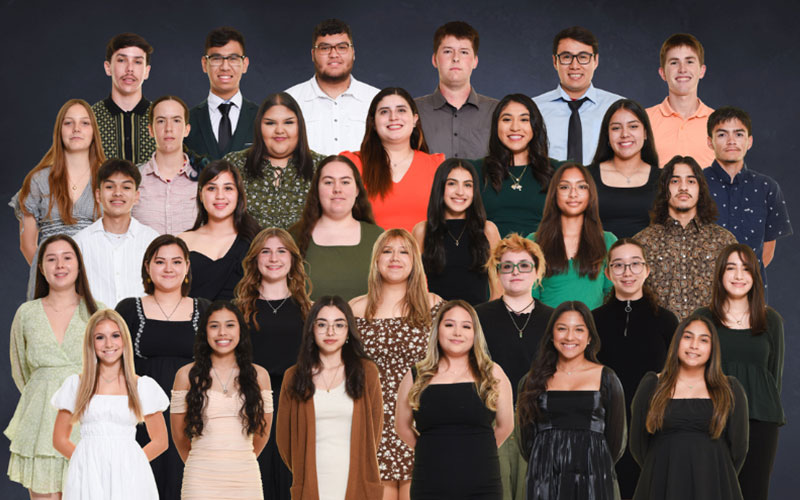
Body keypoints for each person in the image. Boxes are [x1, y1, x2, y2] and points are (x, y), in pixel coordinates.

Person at [115, 234, 211, 500]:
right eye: (160, 262)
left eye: (176, 261)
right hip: (141, 418)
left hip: (192, 415)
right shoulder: (128, 310)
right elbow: (111, 364)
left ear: (187, 267)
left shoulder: (205, 310)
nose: (169, 268)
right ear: (147, 266)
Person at [349, 228, 442, 500]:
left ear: (415, 260)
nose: (395, 258)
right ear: (376, 260)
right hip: (372, 422)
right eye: (387, 251)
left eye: (404, 251)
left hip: (419, 419)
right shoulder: (355, 309)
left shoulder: (435, 305)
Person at [5, 235, 100, 498]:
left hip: (87, 422)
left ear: (79, 265)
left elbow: (108, 369)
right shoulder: (27, 313)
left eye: (67, 257)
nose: (60, 265)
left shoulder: (98, 312)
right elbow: (21, 370)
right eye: (51, 259)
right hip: (40, 423)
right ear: (41, 268)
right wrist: (45, 392)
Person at [396, 300, 514, 499]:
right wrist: (431, 448)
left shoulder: (493, 373)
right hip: (429, 481)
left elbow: (505, 427)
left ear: (475, 333)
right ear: (437, 330)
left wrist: (476, 449)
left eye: (466, 326)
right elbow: (402, 427)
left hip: (483, 482)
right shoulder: (416, 375)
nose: (457, 333)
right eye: (449, 325)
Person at [695, 244, 784, 500]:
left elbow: (773, 376)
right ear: (720, 275)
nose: (738, 275)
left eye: (746, 269)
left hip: (760, 420)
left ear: (755, 276)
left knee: (754, 492)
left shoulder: (771, 321)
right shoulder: (703, 318)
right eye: (730, 268)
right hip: (711, 418)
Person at [591, 238, 678, 498]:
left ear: (647, 270)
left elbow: (677, 374)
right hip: (606, 425)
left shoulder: (666, 320)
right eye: (618, 265)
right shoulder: (594, 320)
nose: (627, 273)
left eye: (635, 264)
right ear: (607, 273)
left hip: (653, 423)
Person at [51, 309, 169, 500]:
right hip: (87, 475)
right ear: (91, 342)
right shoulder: (76, 385)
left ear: (124, 340)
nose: (108, 344)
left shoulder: (141, 386)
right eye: (100, 337)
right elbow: (59, 439)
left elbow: (160, 441)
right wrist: (85, 463)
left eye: (115, 335)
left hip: (130, 475)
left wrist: (130, 464)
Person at [629, 314, 748, 500]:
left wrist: (716, 474)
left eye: (703, 340)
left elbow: (738, 449)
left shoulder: (730, 389)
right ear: (677, 342)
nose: (694, 345)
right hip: (661, 483)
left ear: (712, 348)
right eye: (687, 337)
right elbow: (637, 444)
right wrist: (662, 469)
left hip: (715, 484)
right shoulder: (652, 384)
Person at [277, 296, 384, 499]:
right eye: (322, 324)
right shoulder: (293, 376)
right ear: (311, 330)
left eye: (339, 324)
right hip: (310, 483)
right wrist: (303, 470)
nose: (330, 332)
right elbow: (284, 439)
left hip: (357, 481)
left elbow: (374, 432)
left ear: (348, 331)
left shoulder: (366, 372)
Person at [516, 301, 626, 500]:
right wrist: (545, 463)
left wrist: (596, 462)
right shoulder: (532, 380)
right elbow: (525, 440)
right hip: (544, 476)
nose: (569, 337)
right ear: (551, 335)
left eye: (579, 330)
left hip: (594, 476)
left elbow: (616, 439)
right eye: (562, 329)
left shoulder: (607, 378)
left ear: (590, 336)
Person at [234, 227, 312, 500]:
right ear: (255, 259)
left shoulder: (310, 310)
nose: (273, 258)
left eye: (281, 251)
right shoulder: (238, 311)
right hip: (250, 407)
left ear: (293, 259)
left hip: (298, 405)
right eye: (265, 251)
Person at [475, 234, 555, 500]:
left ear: (537, 271)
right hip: (491, 420)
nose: (515, 272)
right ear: (497, 273)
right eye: (506, 266)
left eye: (524, 265)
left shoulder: (554, 318)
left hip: (540, 422)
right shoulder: (477, 317)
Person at [171, 301, 273, 499]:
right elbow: (179, 436)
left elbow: (263, 433)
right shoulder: (185, 375)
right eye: (214, 326)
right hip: (200, 479)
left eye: (230, 325)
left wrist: (239, 460)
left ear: (240, 331)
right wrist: (202, 462)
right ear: (204, 332)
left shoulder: (259, 376)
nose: (222, 333)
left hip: (245, 478)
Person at [12, 99, 104, 298]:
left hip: (97, 279)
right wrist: (53, 276)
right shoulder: (37, 181)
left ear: (94, 132)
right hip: (50, 282)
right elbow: (27, 244)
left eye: (85, 123)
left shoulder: (108, 179)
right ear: (59, 131)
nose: (76, 129)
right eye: (68, 123)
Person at [703, 106, 792, 300]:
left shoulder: (767, 187)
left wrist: (740, 279)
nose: (731, 141)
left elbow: (767, 249)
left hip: (752, 295)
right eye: (722, 134)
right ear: (710, 142)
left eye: (739, 134)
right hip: (704, 294)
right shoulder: (695, 184)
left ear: (749, 141)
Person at [633, 156, 736, 319]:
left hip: (711, 340)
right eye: (675, 181)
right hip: (660, 341)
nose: (683, 187)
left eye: (691, 181)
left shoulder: (723, 241)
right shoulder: (642, 242)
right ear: (664, 189)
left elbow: (737, 297)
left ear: (700, 189)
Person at [342, 88, 445, 232]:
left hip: (424, 254)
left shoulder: (438, 166)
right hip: (365, 254)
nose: (393, 117)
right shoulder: (351, 164)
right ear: (373, 122)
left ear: (415, 119)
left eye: (401, 110)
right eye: (384, 111)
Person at [290, 155, 384, 301]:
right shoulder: (292, 238)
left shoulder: (379, 237)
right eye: (328, 182)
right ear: (317, 189)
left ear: (357, 190)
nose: (337, 189)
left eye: (345, 182)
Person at [225, 92, 324, 229]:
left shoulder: (322, 166)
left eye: (288, 122)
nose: (279, 130)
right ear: (259, 126)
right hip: (247, 249)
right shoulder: (234, 164)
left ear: (300, 126)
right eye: (270, 123)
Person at [412, 159, 501, 305]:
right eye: (452, 183)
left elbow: (499, 285)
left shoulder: (488, 230)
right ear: (440, 188)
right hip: (434, 319)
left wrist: (488, 317)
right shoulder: (422, 230)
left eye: (467, 185)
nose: (460, 192)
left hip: (477, 320)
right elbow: (414, 283)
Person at [286, 19, 380, 155]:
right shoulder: (290, 101)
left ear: (353, 52)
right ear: (313, 55)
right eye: (325, 48)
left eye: (342, 47)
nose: (334, 54)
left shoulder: (376, 100)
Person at [73, 159, 159, 308]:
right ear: (98, 195)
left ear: (137, 196)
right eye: (109, 186)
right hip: (93, 327)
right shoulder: (80, 243)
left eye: (126, 187)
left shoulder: (152, 240)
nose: (117, 193)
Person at [529, 163, 616, 309]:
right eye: (564, 187)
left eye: (581, 187)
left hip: (593, 329)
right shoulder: (534, 242)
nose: (573, 194)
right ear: (554, 194)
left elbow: (612, 295)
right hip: (547, 328)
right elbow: (529, 298)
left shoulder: (607, 241)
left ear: (590, 194)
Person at [533, 26, 624, 163]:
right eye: (566, 57)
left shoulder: (618, 107)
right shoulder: (534, 109)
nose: (575, 65)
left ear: (596, 61)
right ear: (555, 62)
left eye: (583, 57)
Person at [179, 159, 261, 302]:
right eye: (211, 188)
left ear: (239, 194)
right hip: (190, 321)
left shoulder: (257, 241)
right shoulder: (183, 241)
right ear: (200, 195)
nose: (220, 196)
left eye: (228, 188)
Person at [474, 94, 554, 238]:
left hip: (544, 257)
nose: (515, 127)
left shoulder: (556, 170)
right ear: (496, 126)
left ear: (535, 126)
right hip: (489, 257)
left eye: (524, 119)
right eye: (507, 119)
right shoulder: (476, 170)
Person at [415, 21, 498, 159]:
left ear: (475, 61)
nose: (455, 58)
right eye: (447, 51)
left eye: (464, 52)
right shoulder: (413, 111)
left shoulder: (497, 111)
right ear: (435, 60)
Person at [588, 99, 661, 238]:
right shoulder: (586, 176)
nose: (625, 134)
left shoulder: (664, 178)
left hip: (649, 258)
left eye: (633, 126)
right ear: (607, 136)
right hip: (598, 258)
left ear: (645, 133)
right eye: (616, 128)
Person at [185, 27, 258, 160]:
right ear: (204, 64)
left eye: (233, 58)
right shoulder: (187, 120)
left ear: (245, 64)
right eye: (216, 58)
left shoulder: (262, 118)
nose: (225, 67)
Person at [135, 95, 203, 235]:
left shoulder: (204, 179)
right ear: (151, 130)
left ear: (187, 129)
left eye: (176, 120)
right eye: (161, 121)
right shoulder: (134, 178)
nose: (168, 128)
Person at [646, 34, 714, 168]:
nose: (682, 69)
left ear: (702, 71)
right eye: (674, 63)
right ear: (663, 73)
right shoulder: (643, 120)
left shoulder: (718, 123)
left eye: (689, 62)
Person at [91, 33, 156, 164]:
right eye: (122, 60)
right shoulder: (90, 118)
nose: (129, 69)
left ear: (146, 71)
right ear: (108, 67)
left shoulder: (160, 118)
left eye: (137, 62)